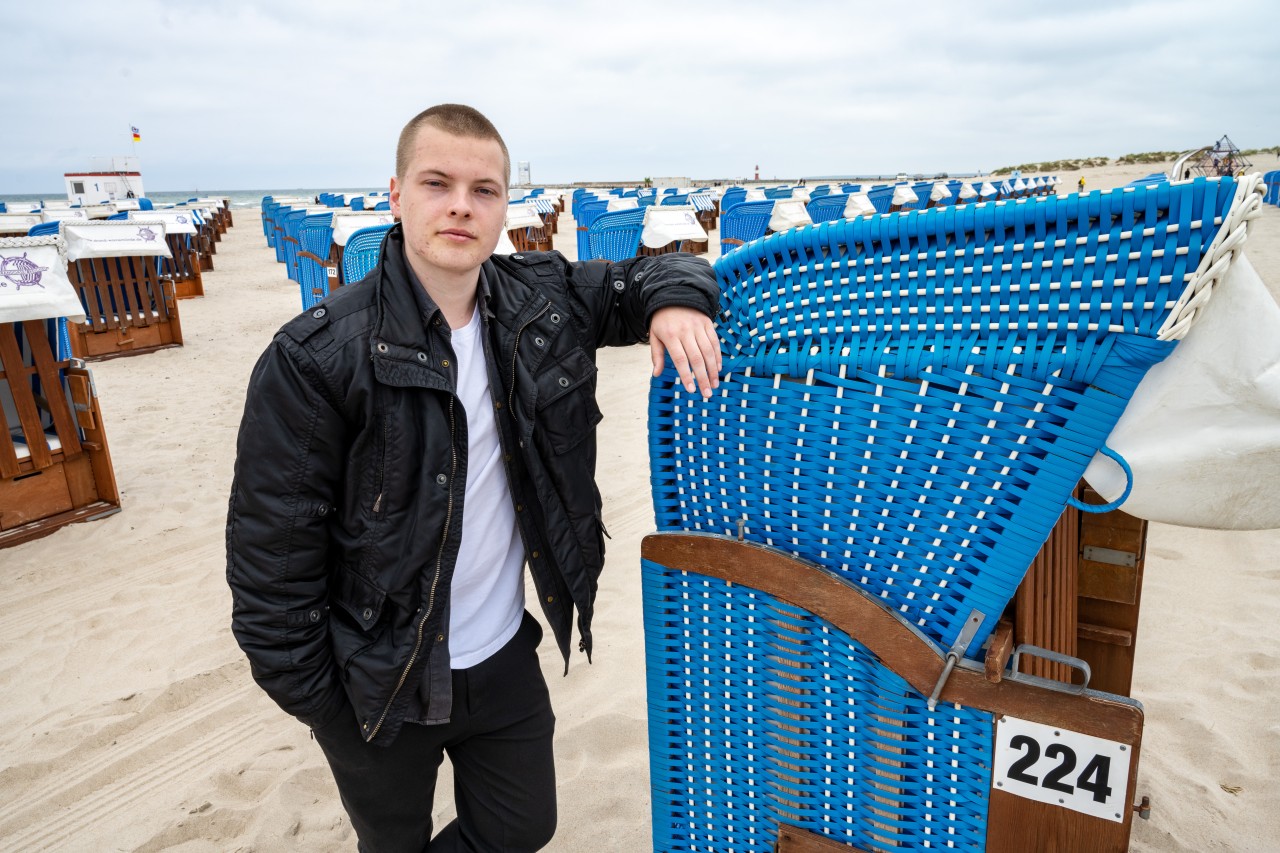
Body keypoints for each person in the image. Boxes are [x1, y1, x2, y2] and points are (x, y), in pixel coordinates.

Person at [226, 104, 721, 852]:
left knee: (524, 824)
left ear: (503, 208)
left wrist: (678, 300)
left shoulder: (537, 301)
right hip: (378, 682)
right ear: (396, 195)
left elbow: (647, 273)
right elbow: (270, 567)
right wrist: (326, 705)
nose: (461, 203)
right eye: (438, 182)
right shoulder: (316, 358)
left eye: (484, 189)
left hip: (500, 658)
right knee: (391, 840)